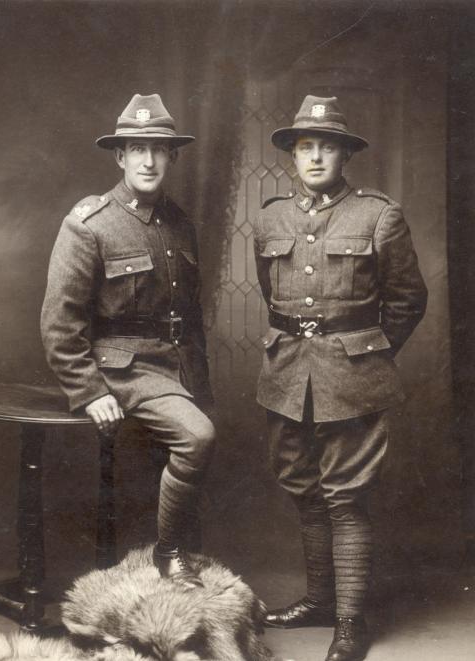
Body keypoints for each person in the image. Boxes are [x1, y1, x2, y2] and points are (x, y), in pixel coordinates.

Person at [253, 95, 428, 661]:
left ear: (345, 154)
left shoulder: (379, 214)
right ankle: (321, 600)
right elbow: (270, 292)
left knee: (346, 497)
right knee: (303, 488)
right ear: (292, 156)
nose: (316, 156)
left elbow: (407, 300)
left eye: (328, 146)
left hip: (353, 376)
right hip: (285, 374)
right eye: (306, 146)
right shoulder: (270, 215)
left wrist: (367, 351)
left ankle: (350, 623)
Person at [41, 94, 215, 588]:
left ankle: (181, 577)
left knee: (191, 451)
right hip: (125, 370)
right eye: (137, 148)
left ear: (172, 157)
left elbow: (191, 312)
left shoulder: (180, 224)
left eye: (158, 149)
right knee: (198, 437)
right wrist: (90, 390)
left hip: (180, 367)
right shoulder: (89, 224)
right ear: (120, 157)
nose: (148, 160)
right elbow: (60, 321)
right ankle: (170, 552)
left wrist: (198, 378)